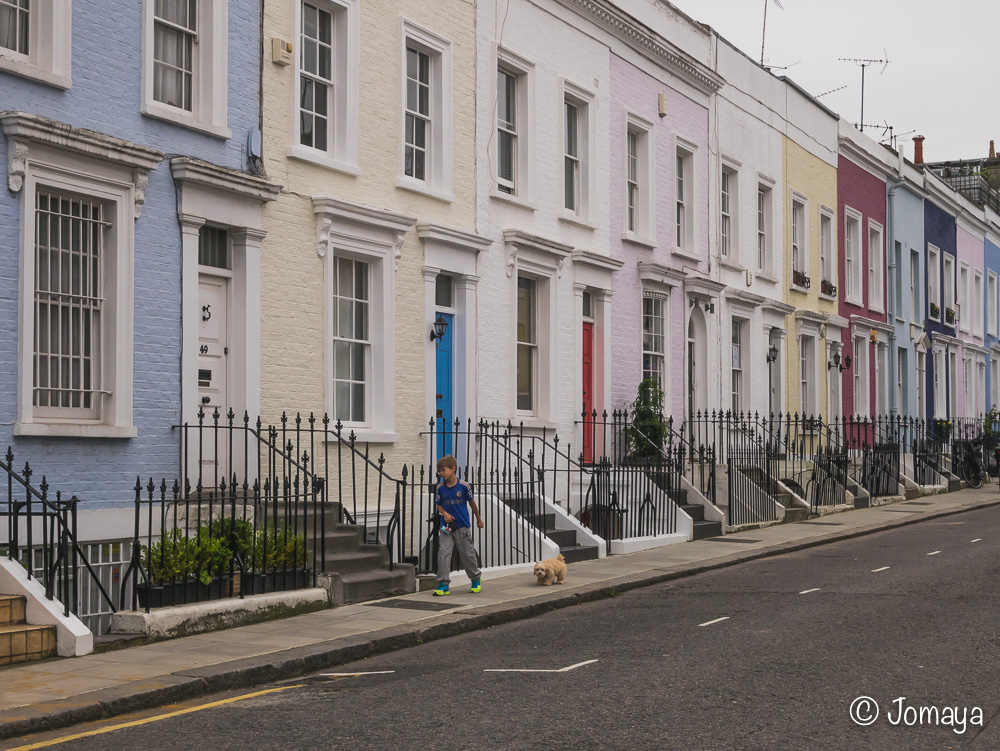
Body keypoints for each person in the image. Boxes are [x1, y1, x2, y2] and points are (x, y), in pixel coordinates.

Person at [433, 455, 484, 596]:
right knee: (443, 553)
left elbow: (472, 504)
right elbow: (438, 505)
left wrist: (478, 520)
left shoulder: (463, 486)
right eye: (439, 471)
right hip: (446, 527)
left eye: (443, 470)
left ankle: (475, 578)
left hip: (462, 525)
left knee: (467, 554)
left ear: (453, 468)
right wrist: (444, 514)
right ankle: (443, 584)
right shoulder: (440, 488)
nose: (441, 473)